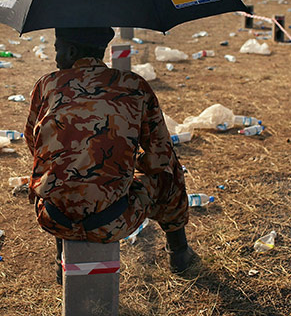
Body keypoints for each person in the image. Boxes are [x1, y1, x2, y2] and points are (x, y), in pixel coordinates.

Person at [25, 27, 199, 284]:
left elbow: (33, 143)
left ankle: (61, 261)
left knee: (61, 168)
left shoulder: (46, 85)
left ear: (71, 51)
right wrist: (129, 164)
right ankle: (180, 253)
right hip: (113, 220)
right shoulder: (133, 86)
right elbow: (158, 157)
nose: (56, 57)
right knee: (169, 170)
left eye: (57, 49)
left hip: (54, 218)